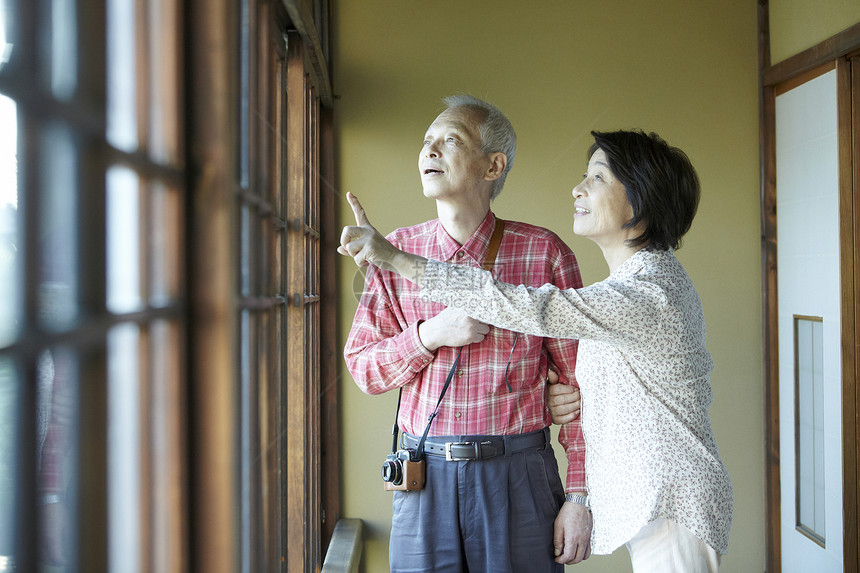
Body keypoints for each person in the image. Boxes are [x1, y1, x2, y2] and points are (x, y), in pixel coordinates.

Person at [340, 129, 734, 573]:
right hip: (645, 495)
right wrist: (538, 395)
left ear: (640, 201)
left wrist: (394, 259)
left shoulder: (648, 291)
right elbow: (599, 380)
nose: (578, 188)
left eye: (598, 178)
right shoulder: (626, 286)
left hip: (670, 499)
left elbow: (534, 309)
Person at [343, 95, 592, 572]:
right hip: (423, 478)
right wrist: (428, 336)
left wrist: (580, 496)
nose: (429, 151)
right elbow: (363, 369)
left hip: (519, 473)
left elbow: (580, 385)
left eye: (450, 140)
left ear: (493, 165)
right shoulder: (394, 250)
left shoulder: (544, 253)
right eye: (426, 142)